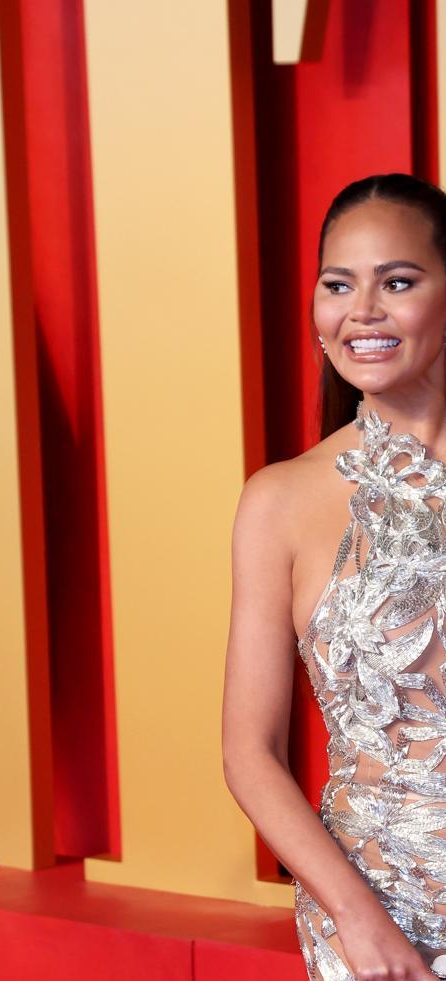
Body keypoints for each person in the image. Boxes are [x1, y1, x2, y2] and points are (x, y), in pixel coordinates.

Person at [222, 173, 446, 980]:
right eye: (338, 285)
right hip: (374, 919)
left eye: (397, 282)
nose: (362, 311)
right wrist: (357, 921)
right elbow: (248, 750)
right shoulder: (280, 500)